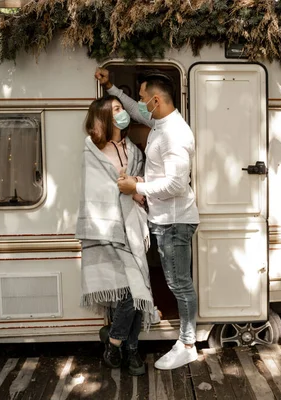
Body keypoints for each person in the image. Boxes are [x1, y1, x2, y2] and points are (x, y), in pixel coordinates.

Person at [95, 67, 200, 370]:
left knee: (179, 284)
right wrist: (112, 87)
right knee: (174, 281)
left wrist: (136, 186)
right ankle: (185, 341)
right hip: (165, 218)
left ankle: (187, 344)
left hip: (175, 221)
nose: (139, 104)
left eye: (142, 98)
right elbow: (132, 110)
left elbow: (177, 185)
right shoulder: (159, 122)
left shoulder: (175, 134)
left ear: (156, 100)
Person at [75, 94, 155, 375]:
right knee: (131, 293)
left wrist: (137, 185)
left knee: (136, 289)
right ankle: (126, 348)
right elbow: (94, 190)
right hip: (106, 229)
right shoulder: (93, 149)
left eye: (123, 109)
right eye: (118, 109)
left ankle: (118, 346)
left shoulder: (132, 148)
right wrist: (127, 187)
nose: (123, 114)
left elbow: (140, 181)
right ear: (105, 117)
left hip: (133, 227)